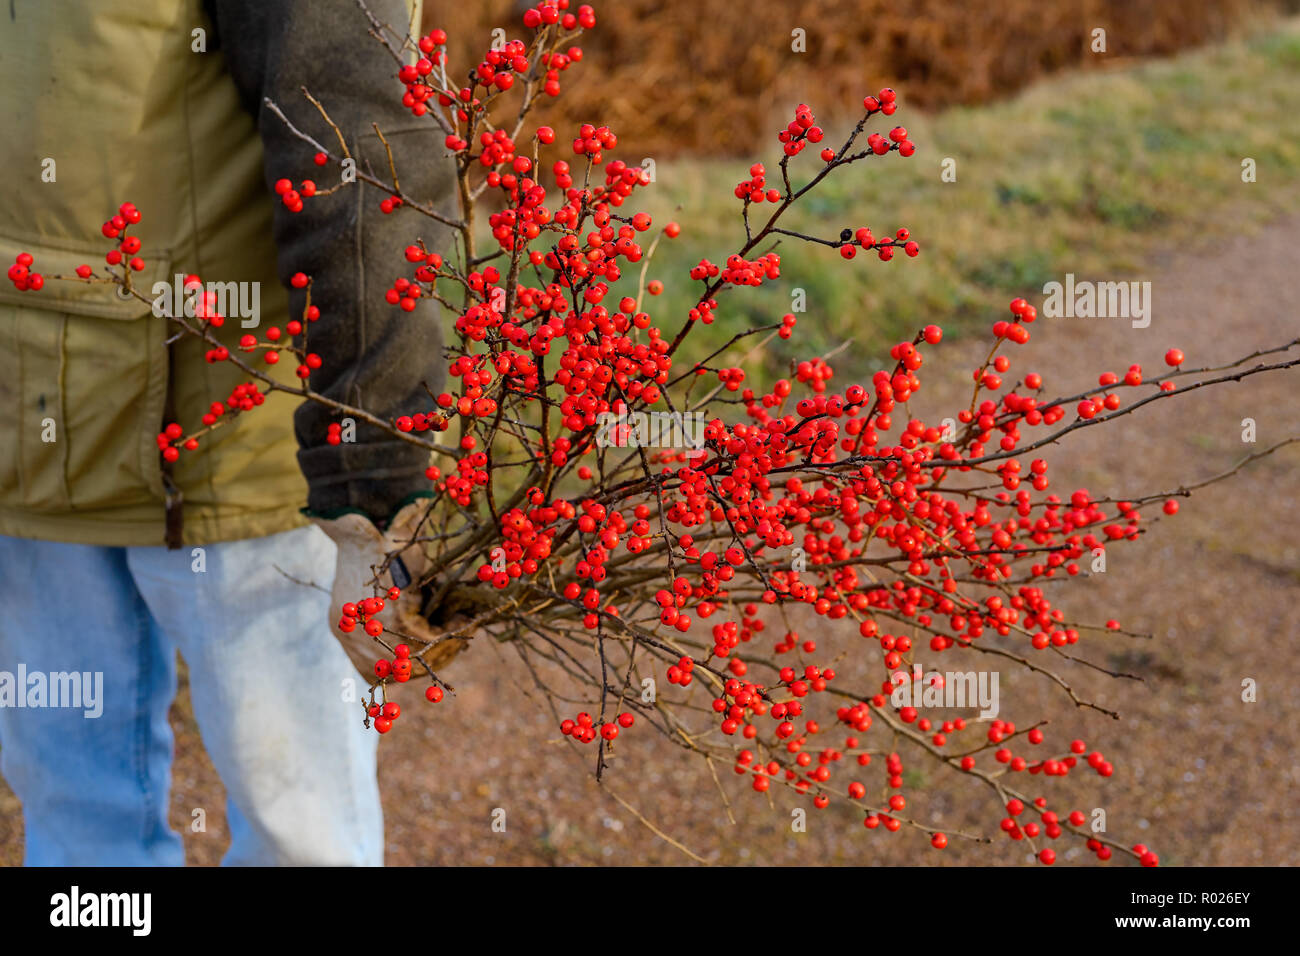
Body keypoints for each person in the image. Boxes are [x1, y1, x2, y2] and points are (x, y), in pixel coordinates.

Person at [0, 0, 454, 865]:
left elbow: (354, 138)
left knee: (302, 828)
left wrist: (375, 489)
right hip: (29, 439)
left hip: (240, 454)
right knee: (75, 832)